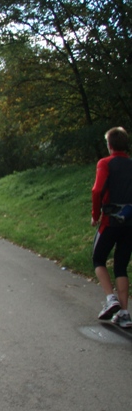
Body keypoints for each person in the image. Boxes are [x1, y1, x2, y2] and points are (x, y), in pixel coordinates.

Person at [92, 126, 132, 328]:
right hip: (130, 223)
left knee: (98, 258)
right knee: (121, 265)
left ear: (109, 145)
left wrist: (95, 214)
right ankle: (125, 313)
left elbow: (97, 190)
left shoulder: (105, 163)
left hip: (110, 221)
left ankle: (111, 298)